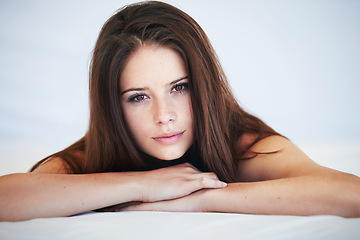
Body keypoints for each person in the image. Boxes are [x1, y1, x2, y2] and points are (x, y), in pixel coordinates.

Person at [0, 1, 359, 222]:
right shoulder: (89, 157)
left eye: (179, 87)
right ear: (113, 107)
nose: (164, 115)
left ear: (202, 85)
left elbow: (350, 194)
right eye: (138, 97)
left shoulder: (242, 142)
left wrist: (200, 200)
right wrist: (144, 184)